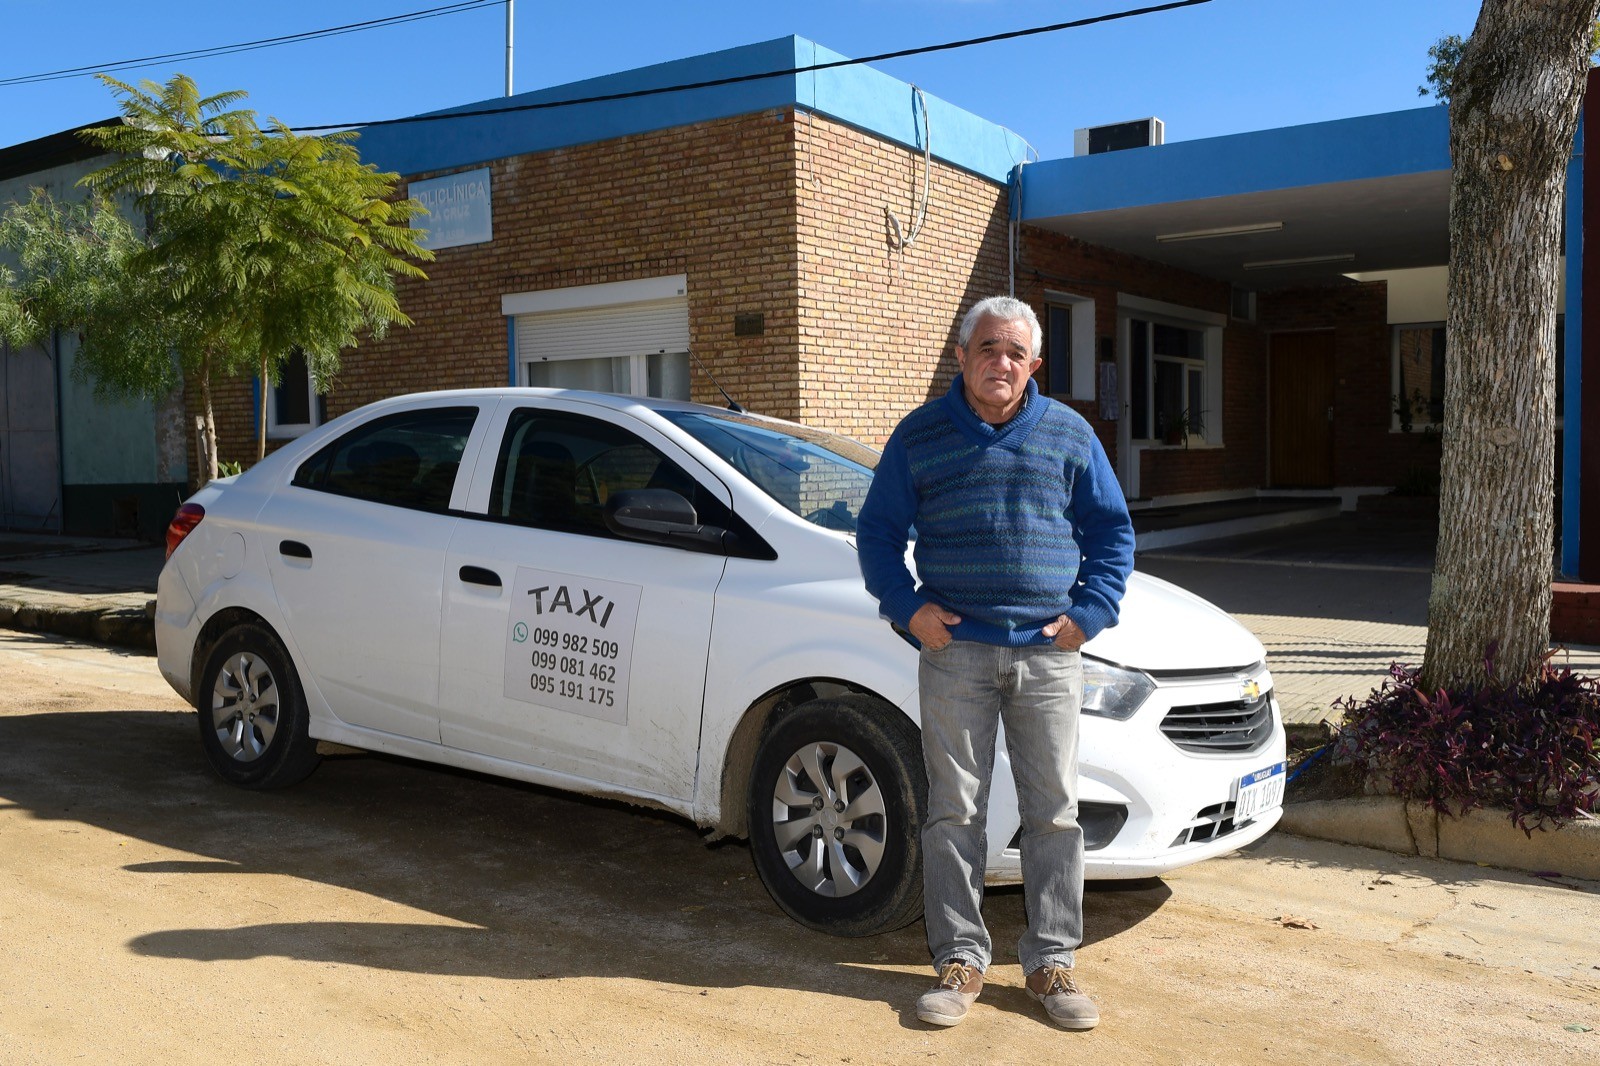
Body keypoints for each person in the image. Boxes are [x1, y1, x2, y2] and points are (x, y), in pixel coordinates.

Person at [856, 295, 1134, 1031]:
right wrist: (906, 606)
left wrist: (1090, 614)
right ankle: (959, 959)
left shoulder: (1071, 434)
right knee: (955, 811)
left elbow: (1112, 533)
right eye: (987, 349)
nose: (1000, 363)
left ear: (1034, 364)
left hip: (1047, 655)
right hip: (956, 652)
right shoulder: (919, 436)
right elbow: (877, 533)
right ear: (961, 356)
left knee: (1054, 813)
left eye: (1015, 352)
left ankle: (1050, 962)